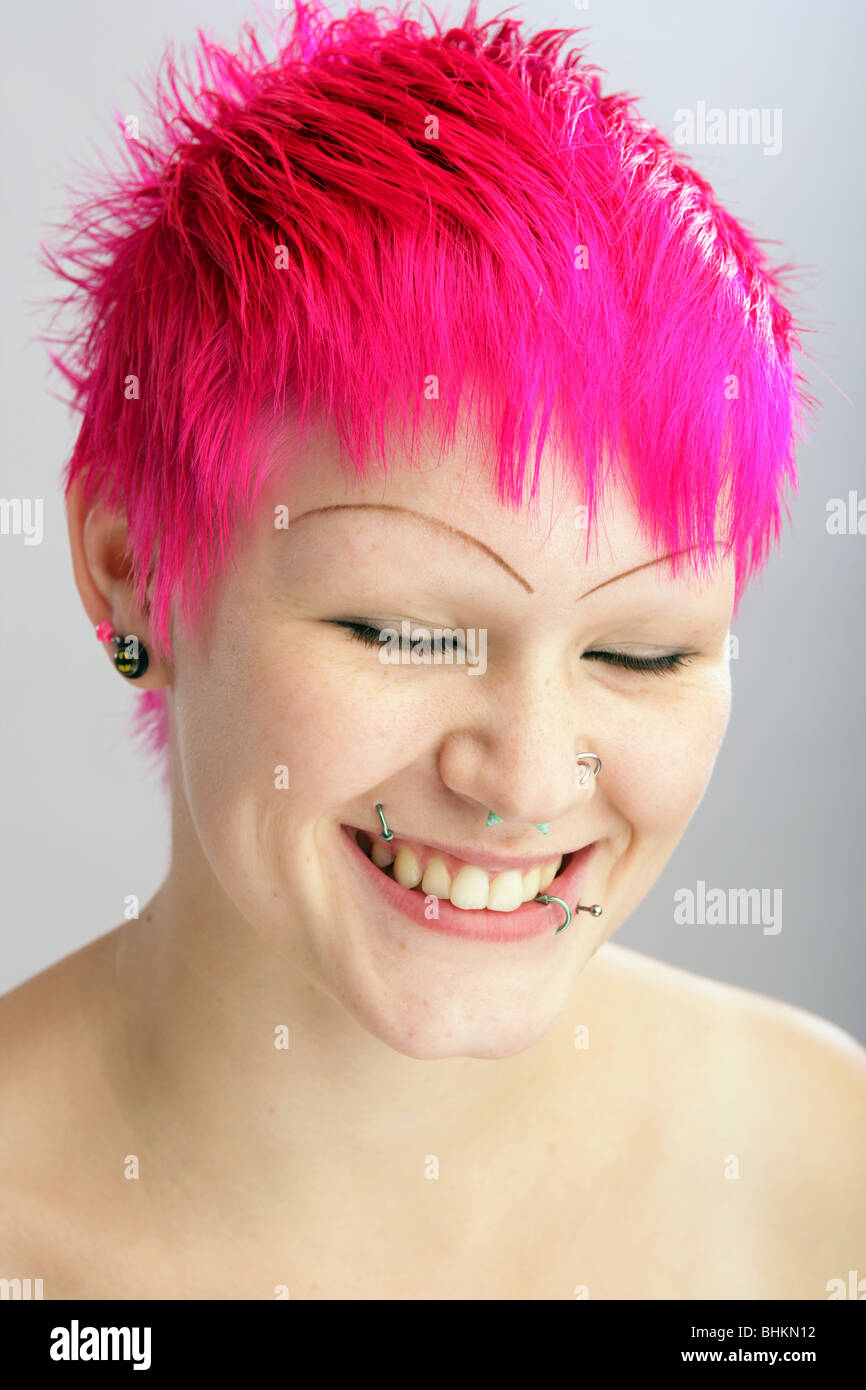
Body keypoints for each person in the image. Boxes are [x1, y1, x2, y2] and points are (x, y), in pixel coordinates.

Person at [2, 0, 863, 1300]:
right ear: (136, 575)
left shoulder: (827, 1177)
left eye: (640, 655)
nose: (523, 778)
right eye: (405, 631)